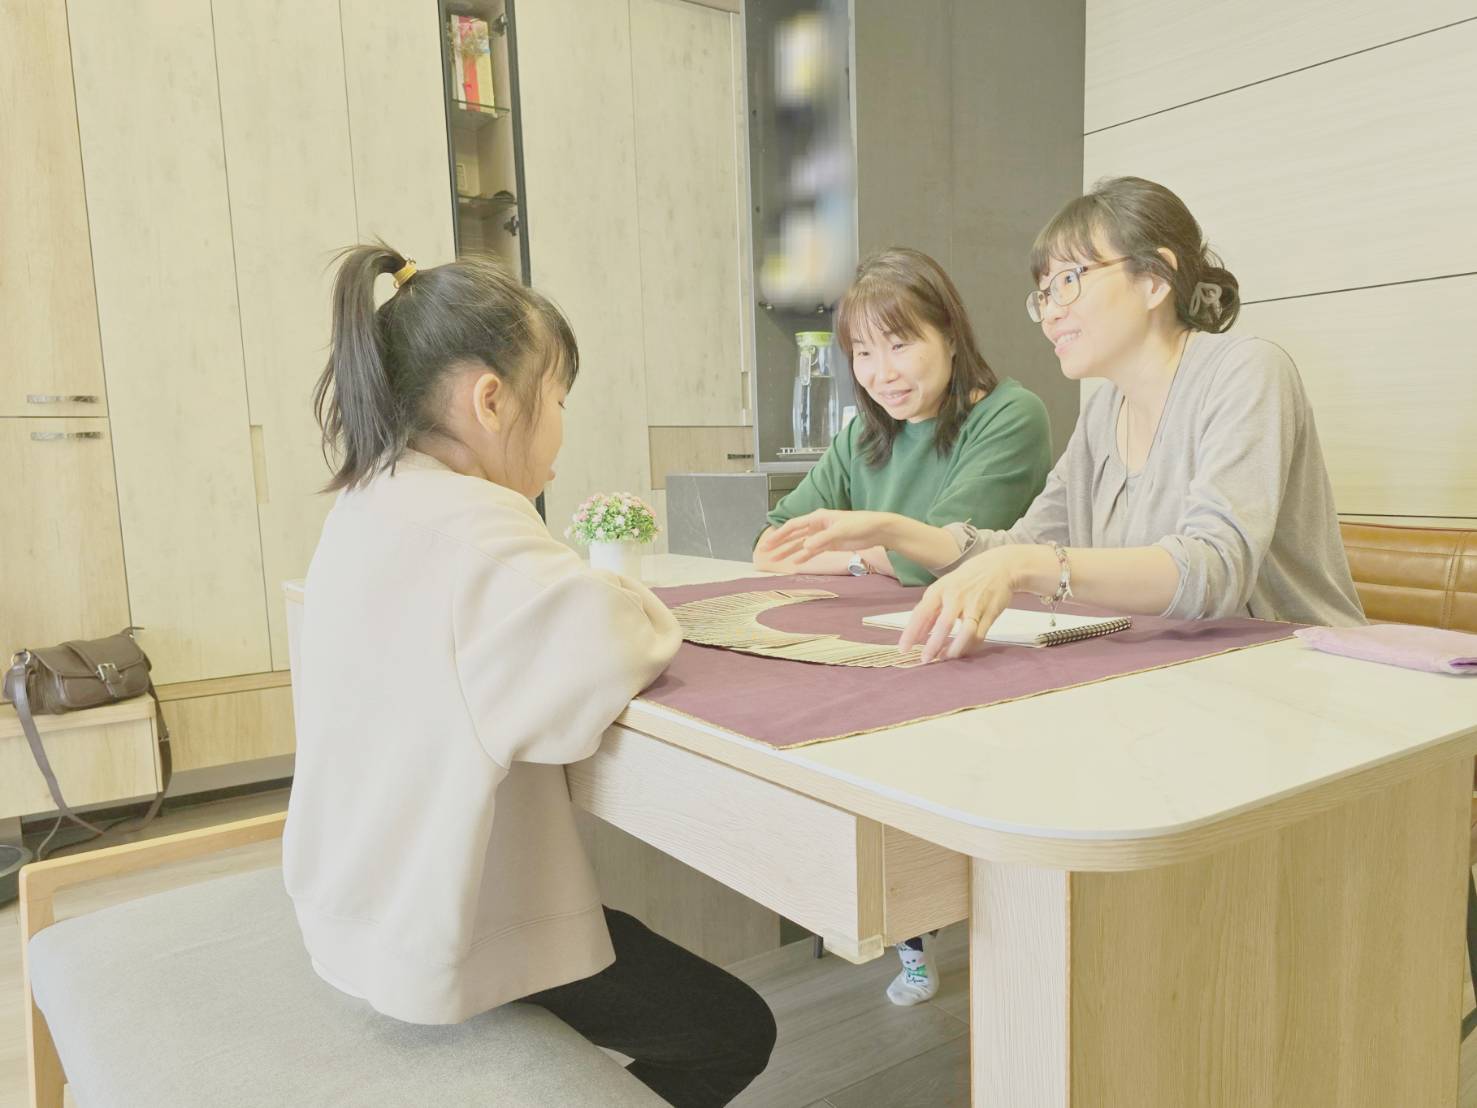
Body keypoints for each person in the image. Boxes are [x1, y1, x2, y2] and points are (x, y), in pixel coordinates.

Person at [284, 245, 776, 1107]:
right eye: (557, 401)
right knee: (733, 1030)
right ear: (491, 400)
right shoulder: (473, 525)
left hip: (351, 900)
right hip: (437, 926)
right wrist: (626, 593)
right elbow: (615, 639)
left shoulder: (368, 503)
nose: (559, 430)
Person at [878, 176, 1365, 663]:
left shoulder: (1247, 370)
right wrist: (889, 530)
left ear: (1154, 279)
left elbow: (1215, 569)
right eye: (1043, 294)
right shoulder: (1104, 410)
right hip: (1177, 671)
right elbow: (1026, 543)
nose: (1050, 313)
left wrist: (1024, 565)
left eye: (1068, 281)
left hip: (1304, 669)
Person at [755, 246, 1053, 1005]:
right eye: (862, 352)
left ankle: (978, 943)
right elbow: (771, 543)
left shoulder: (1009, 415)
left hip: (991, 657)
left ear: (949, 333)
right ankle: (907, 927)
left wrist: (864, 547)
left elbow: (955, 556)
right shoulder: (863, 436)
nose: (881, 372)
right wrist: (872, 559)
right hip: (884, 643)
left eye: (899, 343)